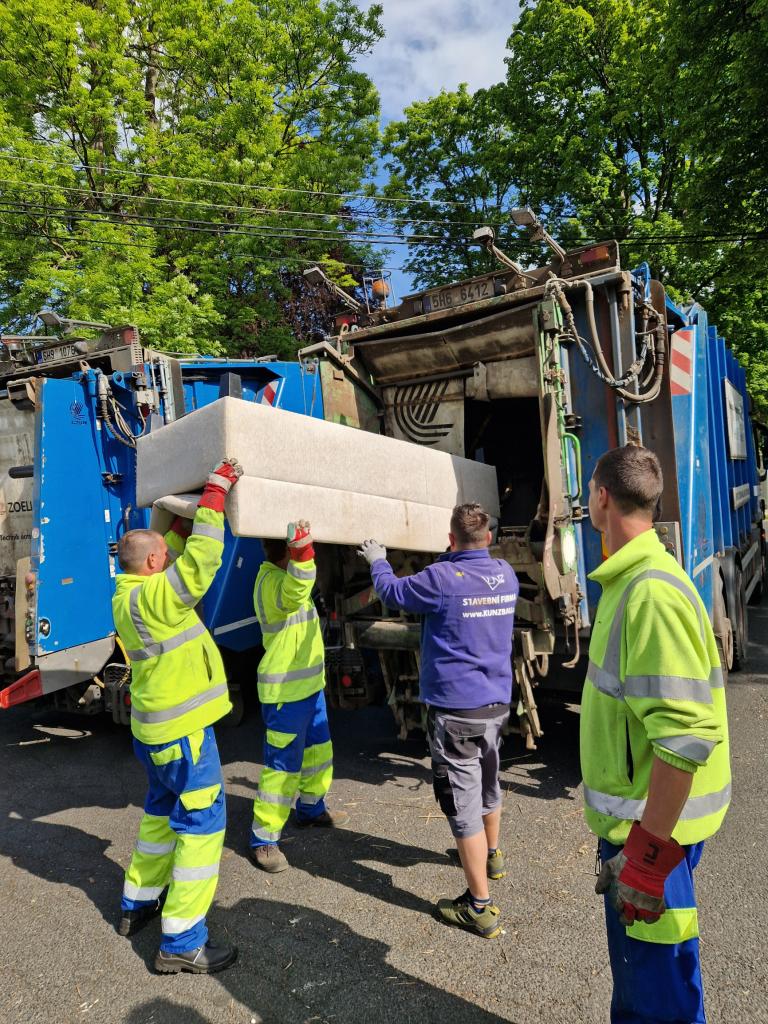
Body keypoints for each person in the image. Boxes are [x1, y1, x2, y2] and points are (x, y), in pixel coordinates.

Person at [583, 445, 730, 1024]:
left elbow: (685, 737)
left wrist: (644, 858)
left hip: (652, 838)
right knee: (643, 989)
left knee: (659, 1000)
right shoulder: (637, 581)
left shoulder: (648, 593)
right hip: (651, 830)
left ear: (602, 498)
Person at [358, 503, 518, 939]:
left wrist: (378, 560)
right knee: (489, 782)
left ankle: (479, 907)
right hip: (495, 705)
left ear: (450, 540)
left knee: (462, 805)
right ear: (488, 538)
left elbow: (392, 593)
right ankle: (493, 856)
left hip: (456, 711)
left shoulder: (442, 579)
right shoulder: (505, 574)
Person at [112, 458, 243, 975]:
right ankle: (182, 940)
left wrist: (174, 525)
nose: (170, 559)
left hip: (154, 732)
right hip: (183, 734)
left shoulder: (128, 592)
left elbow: (170, 554)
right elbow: (202, 561)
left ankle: (138, 902)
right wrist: (214, 496)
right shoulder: (158, 598)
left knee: (159, 817)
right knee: (202, 823)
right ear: (153, 564)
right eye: (164, 557)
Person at [249, 520, 349, 872]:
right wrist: (303, 552)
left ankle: (310, 809)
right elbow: (295, 590)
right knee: (282, 769)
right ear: (288, 555)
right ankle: (264, 839)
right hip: (285, 693)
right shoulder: (273, 583)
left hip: (308, 688)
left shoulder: (283, 577)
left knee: (318, 753)